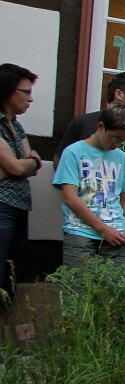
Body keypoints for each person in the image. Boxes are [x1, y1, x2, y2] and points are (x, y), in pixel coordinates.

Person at [55, 72, 125, 257]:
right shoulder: (83, 123)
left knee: (120, 279)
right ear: (119, 94)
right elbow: (61, 166)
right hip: (82, 224)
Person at [53, 104, 125, 267]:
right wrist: (103, 229)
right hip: (80, 233)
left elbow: (124, 198)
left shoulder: (121, 157)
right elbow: (70, 198)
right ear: (101, 126)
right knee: (79, 288)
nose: (117, 145)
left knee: (119, 289)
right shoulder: (73, 152)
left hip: (117, 234)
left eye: (123, 141)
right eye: (115, 138)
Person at [0, 64, 42, 305]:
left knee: (13, 269)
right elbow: (18, 167)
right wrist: (24, 164)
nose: (31, 98)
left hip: (18, 207)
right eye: (25, 92)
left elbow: (31, 163)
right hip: (2, 205)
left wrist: (30, 162)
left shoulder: (15, 125)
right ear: (7, 91)